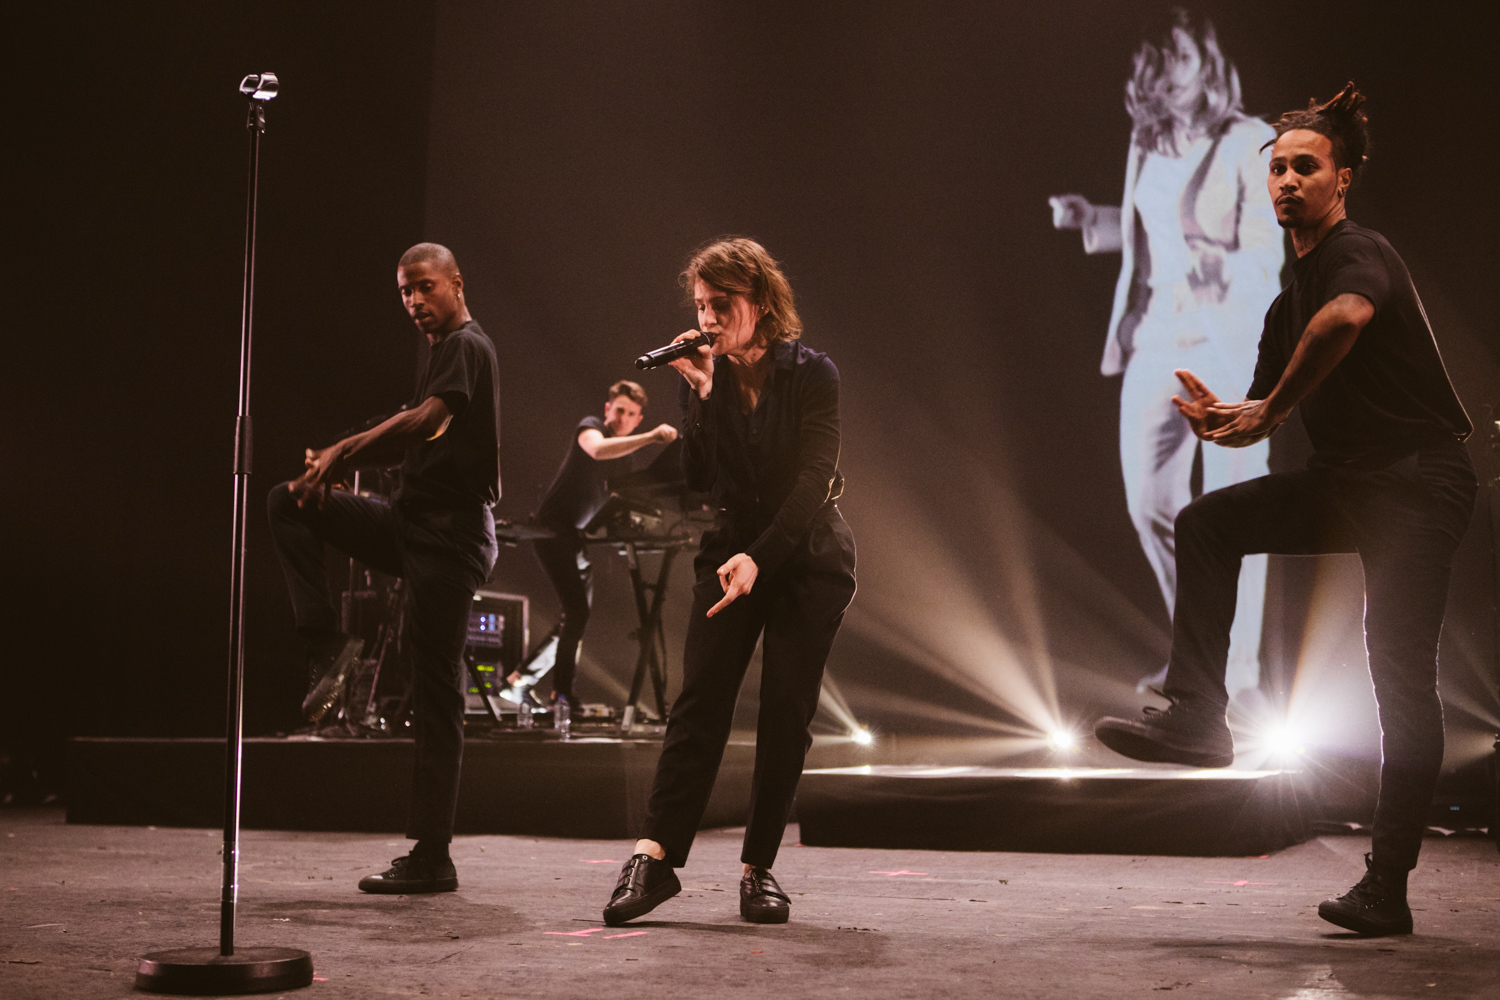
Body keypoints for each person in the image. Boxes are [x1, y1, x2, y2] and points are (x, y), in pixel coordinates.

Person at [1093, 85, 1475, 937]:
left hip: (1417, 483)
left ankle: (1386, 886)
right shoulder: (1284, 300)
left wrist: (1265, 411)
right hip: (1351, 485)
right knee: (1208, 523)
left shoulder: (1356, 253)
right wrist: (1227, 417)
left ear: (1342, 179)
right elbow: (1267, 403)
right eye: (1278, 169)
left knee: (1398, 674)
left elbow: (1345, 320)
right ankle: (1200, 719)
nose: (1288, 181)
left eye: (1307, 166)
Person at [601, 238, 856, 926]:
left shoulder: (813, 374)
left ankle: (758, 867)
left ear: (761, 302)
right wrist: (703, 394)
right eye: (700, 306)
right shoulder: (706, 375)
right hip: (729, 550)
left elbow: (813, 480)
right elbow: (698, 477)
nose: (708, 319)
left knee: (784, 711)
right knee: (700, 700)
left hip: (805, 555)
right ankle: (655, 857)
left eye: (722, 304)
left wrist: (760, 558)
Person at [1050, 11, 1284, 697]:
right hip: (1156, 334)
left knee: (1235, 504)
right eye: (1157, 56)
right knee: (1149, 501)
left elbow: (1267, 250)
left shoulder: (1250, 140)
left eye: (1180, 54)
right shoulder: (1147, 139)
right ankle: (1201, 652)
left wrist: (1223, 273)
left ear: (1206, 59)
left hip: (1230, 338)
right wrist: (1092, 220)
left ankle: (1235, 676)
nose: (1169, 69)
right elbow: (1149, 232)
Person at [266, 242, 501, 895]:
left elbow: (426, 422)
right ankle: (326, 644)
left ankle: (432, 856)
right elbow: (413, 436)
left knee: (436, 692)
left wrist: (343, 452)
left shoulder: (467, 345)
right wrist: (332, 470)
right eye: (404, 291)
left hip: (449, 541)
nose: (414, 301)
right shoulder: (441, 354)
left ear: (457, 283)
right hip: (411, 526)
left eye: (425, 287)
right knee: (289, 501)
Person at [532, 380, 678, 708]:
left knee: (575, 616)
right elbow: (597, 450)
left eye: (631, 414)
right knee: (577, 612)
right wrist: (653, 437)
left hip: (576, 537)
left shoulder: (625, 460)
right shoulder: (591, 426)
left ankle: (521, 679)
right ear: (607, 409)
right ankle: (561, 695)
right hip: (553, 531)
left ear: (638, 419)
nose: (623, 418)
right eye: (619, 410)